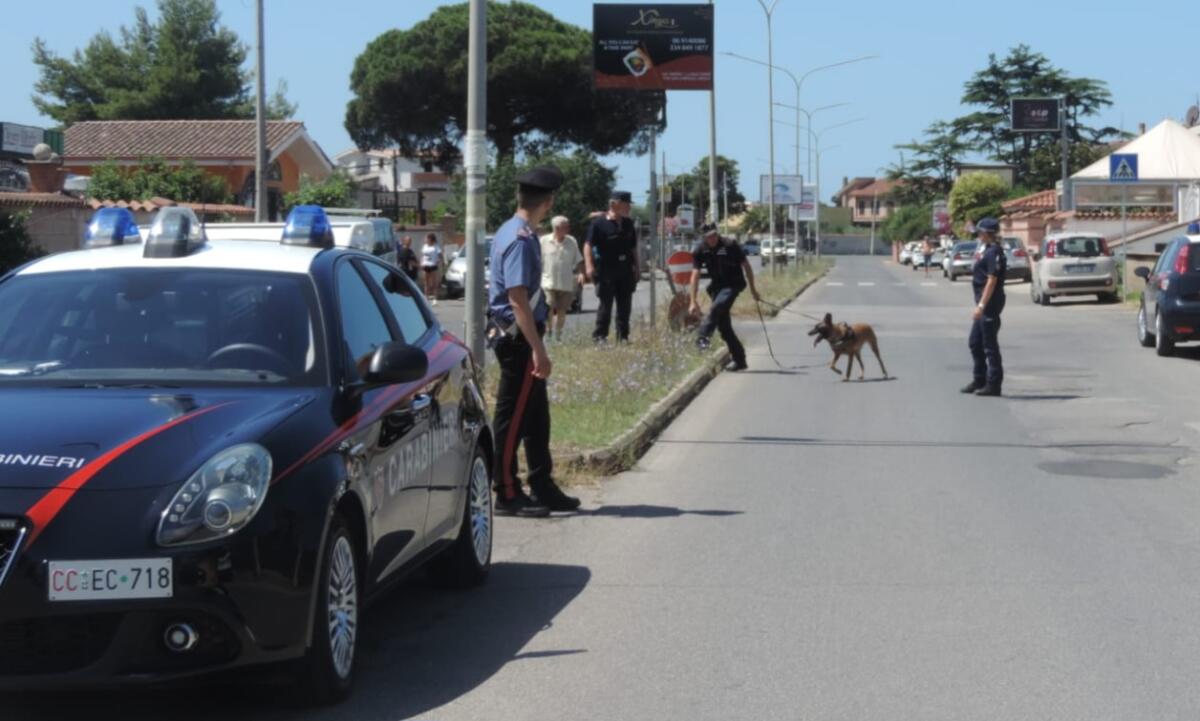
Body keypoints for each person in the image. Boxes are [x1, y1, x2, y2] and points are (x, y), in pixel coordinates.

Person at [488, 165, 581, 516]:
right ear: (549, 201)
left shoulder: (511, 230)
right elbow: (517, 299)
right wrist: (539, 350)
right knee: (513, 416)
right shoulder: (521, 240)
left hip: (520, 334)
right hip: (518, 338)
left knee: (536, 417)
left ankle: (542, 484)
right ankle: (507, 490)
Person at [689, 223, 760, 372]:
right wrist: (692, 301)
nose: (713, 238)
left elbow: (746, 266)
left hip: (733, 285)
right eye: (709, 237)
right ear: (704, 238)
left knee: (716, 307)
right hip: (717, 288)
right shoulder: (700, 250)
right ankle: (740, 360)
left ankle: (702, 338)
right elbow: (695, 275)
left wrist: (753, 290)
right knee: (724, 328)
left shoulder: (730, 245)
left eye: (714, 235)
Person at [584, 190, 640, 343]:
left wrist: (637, 267)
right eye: (626, 204)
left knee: (625, 306)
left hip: (625, 270)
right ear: (615, 204)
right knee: (606, 306)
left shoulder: (628, 223)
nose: (629, 207)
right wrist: (589, 266)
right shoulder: (599, 224)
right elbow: (588, 245)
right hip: (606, 270)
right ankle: (600, 337)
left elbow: (633, 247)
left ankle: (623, 337)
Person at [962, 217, 1006, 397]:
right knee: (975, 342)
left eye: (981, 232)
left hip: (989, 303)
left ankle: (993, 384)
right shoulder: (986, 249)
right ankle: (979, 379)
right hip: (983, 302)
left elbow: (992, 281)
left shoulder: (994, 252)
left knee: (989, 345)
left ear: (988, 234)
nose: (978, 235)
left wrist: (981, 306)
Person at [540, 216, 585, 341]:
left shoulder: (572, 241)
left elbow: (578, 259)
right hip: (548, 281)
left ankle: (558, 335)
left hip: (566, 282)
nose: (568, 229)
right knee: (548, 307)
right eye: (566, 227)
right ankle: (548, 331)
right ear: (556, 228)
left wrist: (581, 273)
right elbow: (536, 260)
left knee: (562, 311)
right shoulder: (543, 241)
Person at [420, 232, 442, 305]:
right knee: (426, 283)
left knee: (434, 283)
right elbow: (423, 255)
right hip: (425, 265)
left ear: (430, 239)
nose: (425, 239)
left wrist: (438, 262)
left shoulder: (436, 246)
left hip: (433, 265)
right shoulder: (425, 246)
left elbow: (440, 256)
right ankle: (426, 298)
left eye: (426, 238)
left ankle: (435, 299)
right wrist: (421, 263)